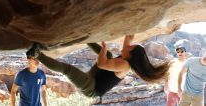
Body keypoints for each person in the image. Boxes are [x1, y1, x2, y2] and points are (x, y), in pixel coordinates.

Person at [27, 35, 170, 97]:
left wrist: (103, 46)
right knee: (108, 56)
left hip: (91, 88)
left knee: (67, 69)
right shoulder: (127, 56)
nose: (129, 45)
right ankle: (84, 38)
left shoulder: (125, 65)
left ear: (131, 53)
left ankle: (36, 54)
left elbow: (101, 64)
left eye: (132, 46)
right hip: (95, 77)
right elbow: (128, 38)